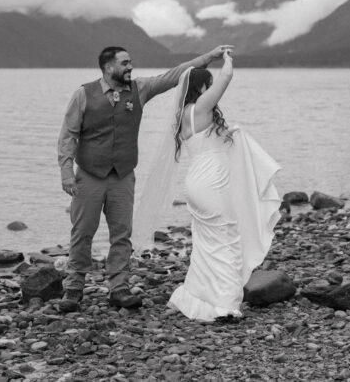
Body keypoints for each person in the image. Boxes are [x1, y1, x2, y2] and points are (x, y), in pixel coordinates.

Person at [57, 44, 233, 313]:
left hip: (123, 176)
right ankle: (73, 289)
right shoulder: (83, 94)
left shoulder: (140, 89)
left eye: (130, 62)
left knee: (122, 234)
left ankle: (119, 289)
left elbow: (175, 75)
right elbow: (69, 135)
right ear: (108, 67)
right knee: (82, 233)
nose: (130, 66)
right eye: (124, 63)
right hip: (89, 176)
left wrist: (209, 57)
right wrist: (67, 172)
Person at [137, 48, 281, 322]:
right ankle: (225, 305)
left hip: (197, 183)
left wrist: (228, 135)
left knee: (207, 243)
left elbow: (207, 142)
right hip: (211, 183)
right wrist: (226, 59)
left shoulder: (185, 115)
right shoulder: (202, 108)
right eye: (209, 85)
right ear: (201, 87)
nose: (212, 89)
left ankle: (196, 297)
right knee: (227, 239)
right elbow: (226, 78)